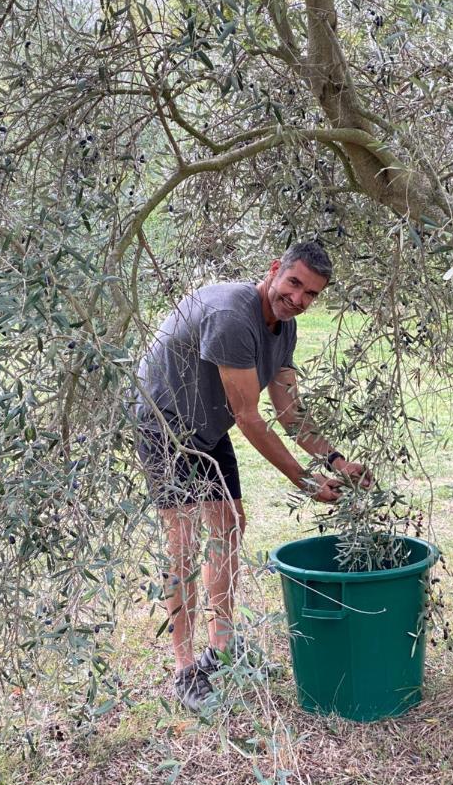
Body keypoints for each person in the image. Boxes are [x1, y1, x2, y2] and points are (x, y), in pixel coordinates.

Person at [136, 241, 370, 712]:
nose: (299, 299)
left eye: (312, 294)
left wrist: (335, 460)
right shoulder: (231, 316)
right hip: (164, 421)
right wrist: (304, 481)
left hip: (206, 425)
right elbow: (249, 416)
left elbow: (289, 411)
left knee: (229, 525)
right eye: (294, 284)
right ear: (273, 271)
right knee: (182, 542)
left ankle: (219, 651)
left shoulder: (284, 329)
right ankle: (184, 670)